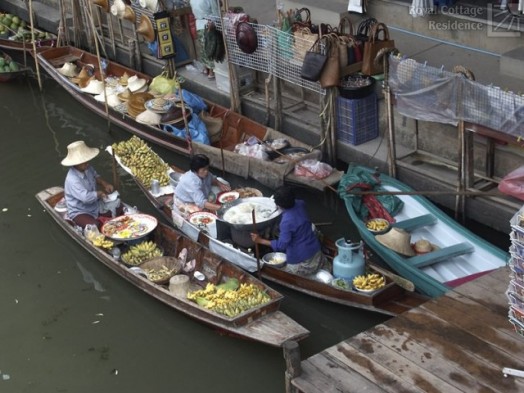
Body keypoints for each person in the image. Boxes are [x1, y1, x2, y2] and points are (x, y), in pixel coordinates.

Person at [250, 186, 323, 276]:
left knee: (285, 273)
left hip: (303, 260)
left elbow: (281, 246)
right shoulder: (301, 204)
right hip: (316, 250)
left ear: (279, 205)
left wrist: (259, 240)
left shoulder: (286, 222)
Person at [61, 140, 119, 229]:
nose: (87, 162)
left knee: (118, 207)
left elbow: (96, 177)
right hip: (80, 210)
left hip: (95, 205)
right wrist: (100, 193)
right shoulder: (72, 179)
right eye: (84, 161)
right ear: (76, 163)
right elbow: (86, 198)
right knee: (94, 226)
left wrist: (105, 184)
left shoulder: (87, 167)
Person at [189, 0, 220, 79]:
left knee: (205, 47)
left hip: (202, 23)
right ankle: (210, 70)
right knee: (208, 48)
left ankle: (208, 69)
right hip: (206, 23)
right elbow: (216, 12)